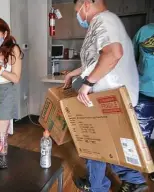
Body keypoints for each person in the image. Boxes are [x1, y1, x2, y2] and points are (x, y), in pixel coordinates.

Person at [64, 0, 148, 191]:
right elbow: (97, 61)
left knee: (96, 144)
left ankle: (101, 186)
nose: (78, 17)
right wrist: (73, 73)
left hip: (108, 97)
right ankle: (127, 182)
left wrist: (87, 84)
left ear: (86, 4)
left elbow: (113, 53)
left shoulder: (104, 20)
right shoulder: (103, 22)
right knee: (104, 144)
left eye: (77, 11)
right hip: (110, 97)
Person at [133, 23, 154, 181]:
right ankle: (134, 181)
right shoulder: (144, 31)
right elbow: (130, 61)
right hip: (144, 94)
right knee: (139, 139)